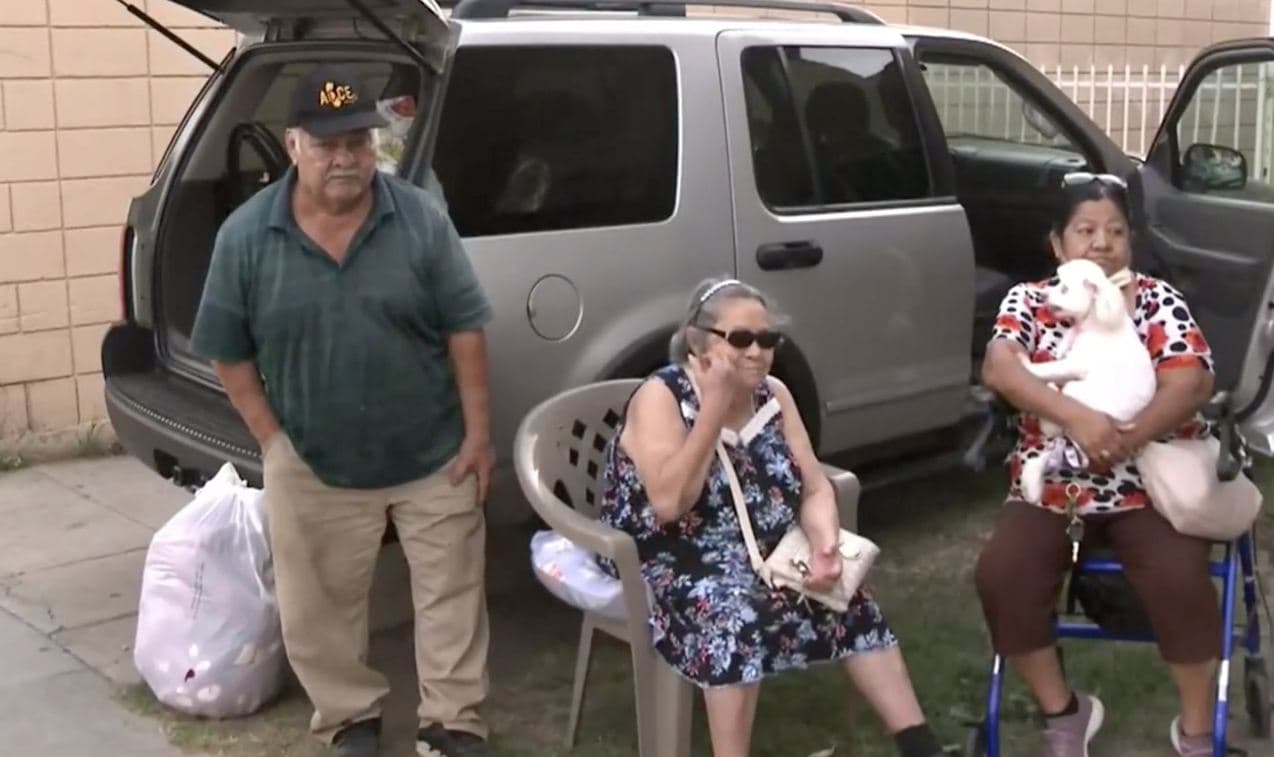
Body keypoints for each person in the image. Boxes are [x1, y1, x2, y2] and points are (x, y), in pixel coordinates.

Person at [189, 64, 494, 757]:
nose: (345, 157)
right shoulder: (245, 236)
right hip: (314, 455)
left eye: (357, 141)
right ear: (293, 145)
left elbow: (466, 328)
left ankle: (453, 721)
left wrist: (478, 435)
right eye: (327, 144)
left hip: (432, 451)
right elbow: (227, 351)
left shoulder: (420, 219)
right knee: (319, 607)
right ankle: (348, 716)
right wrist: (272, 440)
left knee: (451, 598)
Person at [597, 277, 947, 757]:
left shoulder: (774, 395)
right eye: (741, 339)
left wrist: (825, 547)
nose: (758, 352)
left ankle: (919, 746)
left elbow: (814, 484)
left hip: (760, 546)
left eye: (768, 340)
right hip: (669, 551)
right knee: (734, 616)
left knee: (849, 597)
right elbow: (669, 503)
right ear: (699, 342)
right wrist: (714, 409)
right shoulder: (661, 396)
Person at [976, 173, 1220, 757]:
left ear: (1130, 242)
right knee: (1002, 576)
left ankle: (1194, 731)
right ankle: (1066, 713)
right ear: (1058, 245)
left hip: (1148, 482)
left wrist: (1127, 436)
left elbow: (1191, 379)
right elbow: (1000, 369)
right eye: (1085, 230)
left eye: (1115, 231)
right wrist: (1078, 419)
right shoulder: (1031, 301)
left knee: (1179, 579)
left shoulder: (1157, 300)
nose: (1102, 242)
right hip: (1055, 483)